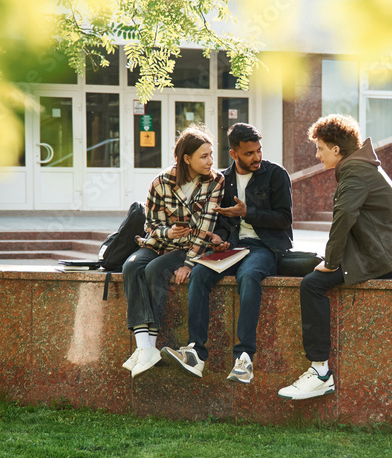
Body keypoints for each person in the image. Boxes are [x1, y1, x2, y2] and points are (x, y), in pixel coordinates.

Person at [278, 114, 392, 400]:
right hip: (380, 251)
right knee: (296, 263)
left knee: (312, 284)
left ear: (336, 150)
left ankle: (320, 373)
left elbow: (344, 217)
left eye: (320, 149)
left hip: (383, 258)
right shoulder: (360, 166)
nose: (317, 155)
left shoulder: (356, 171)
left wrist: (329, 263)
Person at [161, 123, 293, 382]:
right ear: (234, 154)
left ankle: (244, 358)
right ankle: (196, 353)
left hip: (265, 247)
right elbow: (220, 222)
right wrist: (218, 238)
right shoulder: (222, 179)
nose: (257, 157)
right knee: (199, 274)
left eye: (259, 151)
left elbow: (284, 218)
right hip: (231, 248)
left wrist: (248, 213)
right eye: (249, 153)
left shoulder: (276, 174)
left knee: (249, 276)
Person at [121, 126, 223, 377]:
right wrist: (167, 233)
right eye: (204, 156)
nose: (210, 161)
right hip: (161, 244)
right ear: (186, 158)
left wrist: (189, 263)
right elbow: (150, 226)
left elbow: (205, 227)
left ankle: (149, 346)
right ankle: (144, 347)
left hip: (192, 248)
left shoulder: (215, 181)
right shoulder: (160, 183)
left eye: (211, 155)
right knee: (131, 266)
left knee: (155, 269)